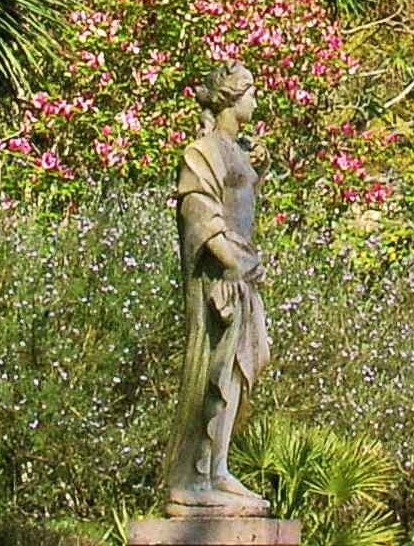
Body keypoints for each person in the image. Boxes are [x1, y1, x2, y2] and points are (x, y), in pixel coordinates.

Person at [162, 63, 271, 515]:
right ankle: (195, 474)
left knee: (246, 366)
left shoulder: (237, 149)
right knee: (214, 372)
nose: (255, 102)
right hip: (220, 283)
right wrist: (234, 262)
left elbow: (240, 201)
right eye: (249, 92)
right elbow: (200, 215)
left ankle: (219, 468)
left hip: (243, 277)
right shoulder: (202, 152)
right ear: (231, 98)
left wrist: (257, 168)